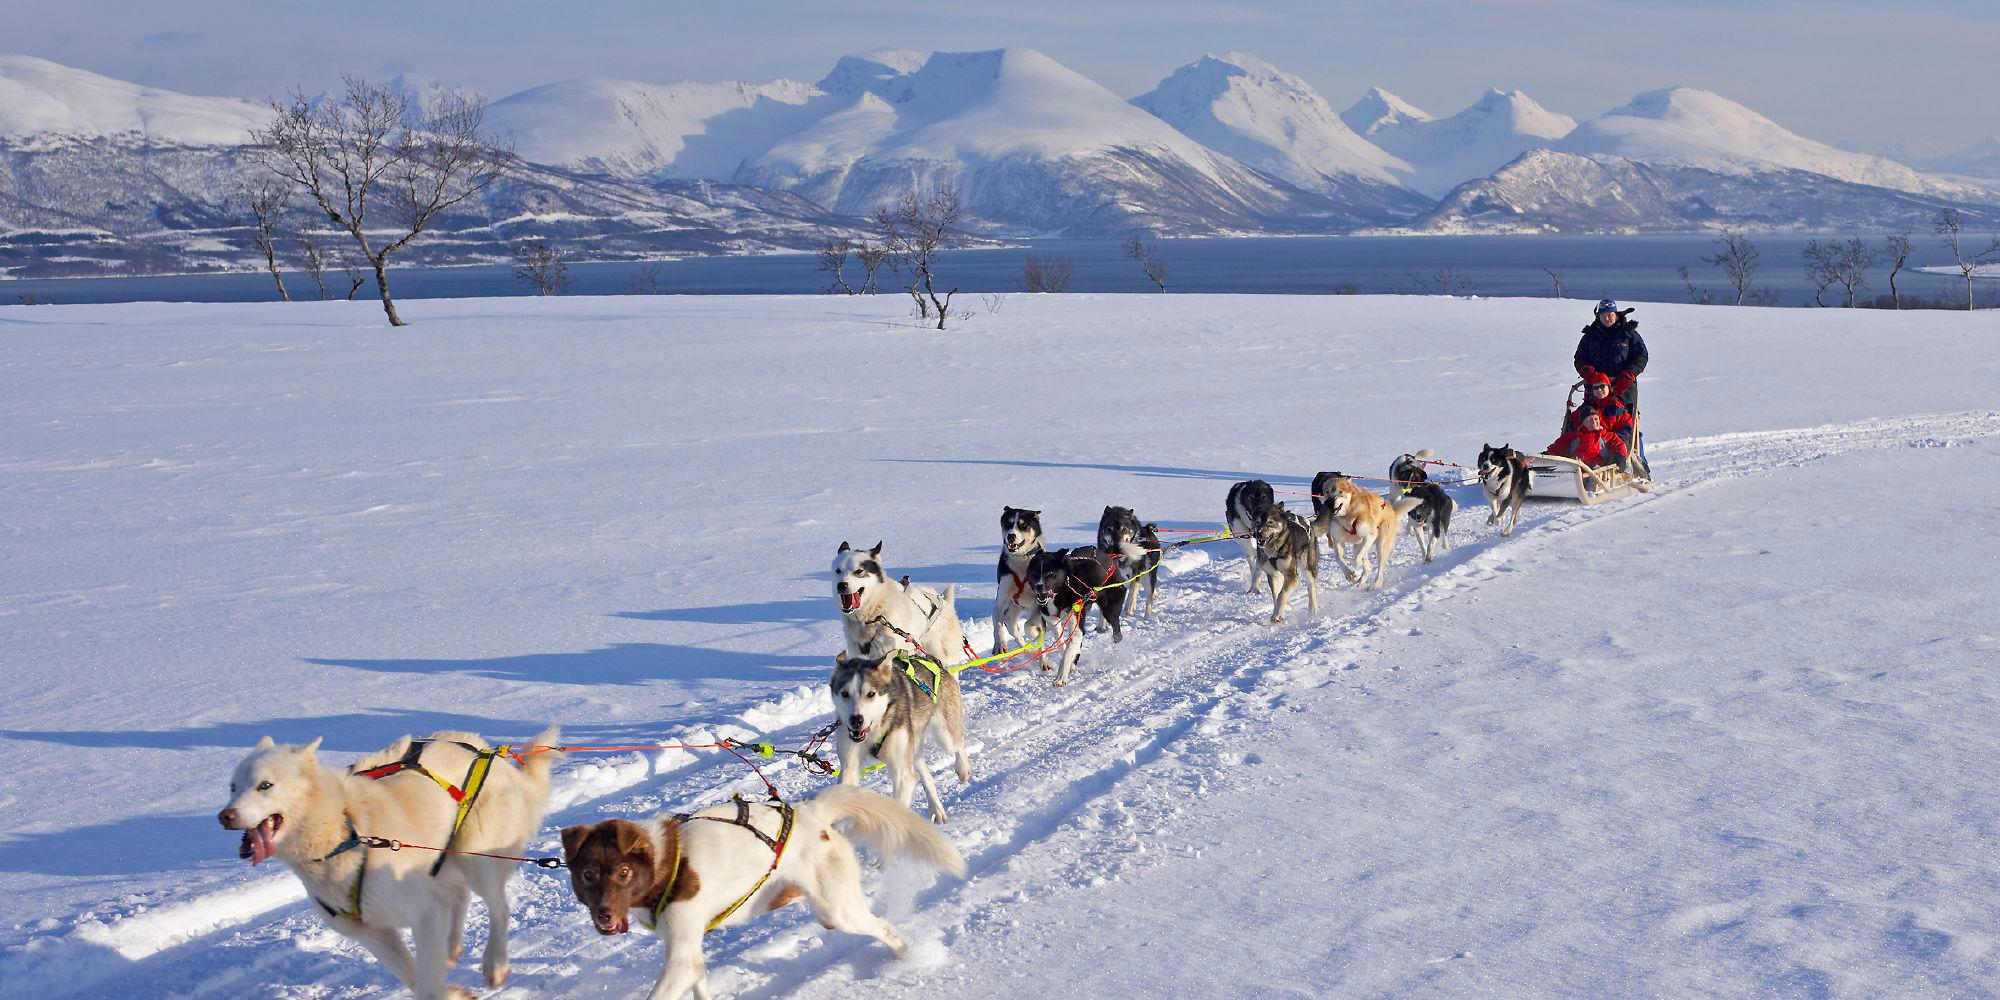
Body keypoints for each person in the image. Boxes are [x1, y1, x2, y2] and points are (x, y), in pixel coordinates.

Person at [1574, 299, 1647, 413]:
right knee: (1592, 421)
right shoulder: (1590, 336)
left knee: (1622, 420)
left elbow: (1641, 356)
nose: (1606, 318)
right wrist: (1589, 373)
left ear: (1616, 314)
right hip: (1596, 388)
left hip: (1623, 388)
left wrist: (1629, 374)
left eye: (1610, 315)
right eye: (1603, 315)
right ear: (1598, 317)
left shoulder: (1628, 334)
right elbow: (1580, 358)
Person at [1546, 405, 1630, 467]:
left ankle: (1591, 489)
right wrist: (1548, 454)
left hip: (1598, 468)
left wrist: (1620, 457)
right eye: (1589, 420)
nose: (1593, 422)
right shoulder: (1573, 436)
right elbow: (1559, 445)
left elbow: (1619, 445)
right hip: (1575, 466)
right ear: (1583, 424)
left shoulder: (1607, 435)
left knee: (1592, 474)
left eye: (1595, 419)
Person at [1565, 372, 1632, 437]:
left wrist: (1611, 439)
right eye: (1595, 387)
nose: (1599, 390)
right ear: (1593, 391)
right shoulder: (1587, 407)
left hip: (1610, 444)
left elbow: (1626, 427)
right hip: (1587, 442)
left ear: (1608, 387)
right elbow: (1573, 424)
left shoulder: (1617, 408)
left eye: (1602, 386)